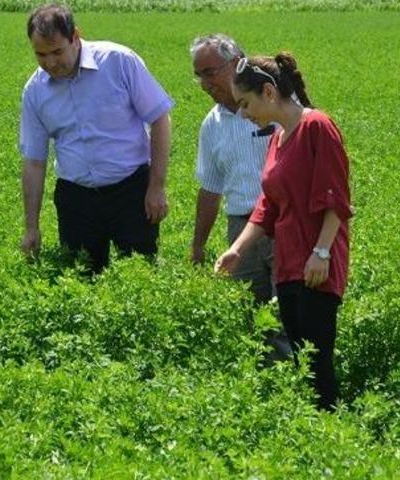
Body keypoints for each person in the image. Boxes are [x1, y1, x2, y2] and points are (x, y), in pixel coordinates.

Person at [215, 52, 352, 411]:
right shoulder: (278, 139)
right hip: (289, 265)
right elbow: (268, 207)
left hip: (316, 265)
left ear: (269, 92)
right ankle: (311, 427)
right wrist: (238, 249)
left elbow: (336, 198)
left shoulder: (317, 127)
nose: (243, 114)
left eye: (245, 104)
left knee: (317, 362)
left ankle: (332, 435)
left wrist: (322, 252)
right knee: (299, 361)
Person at [19, 3, 173, 274]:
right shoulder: (35, 91)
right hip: (76, 199)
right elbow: (34, 161)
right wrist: (31, 226)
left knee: (141, 276)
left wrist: (156, 186)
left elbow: (160, 118)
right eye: (40, 54)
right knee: (82, 277)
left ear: (75, 37)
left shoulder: (119, 61)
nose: (50, 63)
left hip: (131, 190)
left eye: (57, 51)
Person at [189, 34, 290, 361]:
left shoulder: (273, 107)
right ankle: (263, 387)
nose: (205, 83)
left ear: (236, 64)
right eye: (199, 75)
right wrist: (198, 246)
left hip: (283, 224)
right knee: (250, 318)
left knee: (287, 312)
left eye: (210, 72)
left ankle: (297, 383)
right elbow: (209, 189)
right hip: (240, 230)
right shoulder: (212, 125)